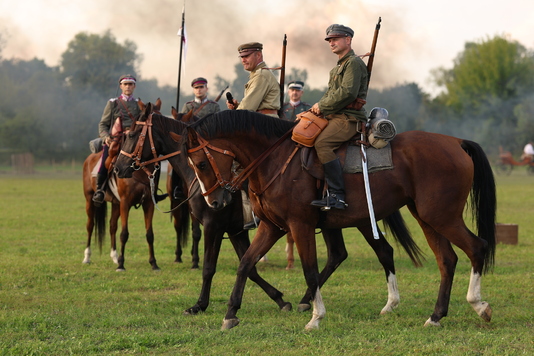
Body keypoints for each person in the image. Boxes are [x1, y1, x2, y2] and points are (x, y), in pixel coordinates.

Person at [310, 24, 369, 211]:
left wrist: (322, 106)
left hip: (349, 118)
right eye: (329, 40)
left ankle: (337, 196)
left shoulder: (354, 63)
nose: (331, 43)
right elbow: (330, 94)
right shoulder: (337, 68)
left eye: (335, 39)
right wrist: (314, 110)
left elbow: (347, 93)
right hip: (334, 116)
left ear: (348, 40)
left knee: (322, 144)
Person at [92, 74, 141, 205]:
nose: (128, 86)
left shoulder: (139, 104)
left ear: (134, 86)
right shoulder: (113, 103)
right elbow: (103, 124)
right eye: (125, 84)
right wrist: (105, 137)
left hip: (133, 141)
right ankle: (100, 189)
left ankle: (152, 191)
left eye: (131, 84)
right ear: (121, 86)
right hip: (116, 140)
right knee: (105, 160)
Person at [226, 42, 280, 118]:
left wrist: (230, 116)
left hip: (264, 123)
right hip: (261, 121)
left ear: (258, 55)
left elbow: (247, 108)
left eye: (246, 56)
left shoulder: (261, 75)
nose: (243, 60)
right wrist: (237, 106)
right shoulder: (259, 74)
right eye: (242, 57)